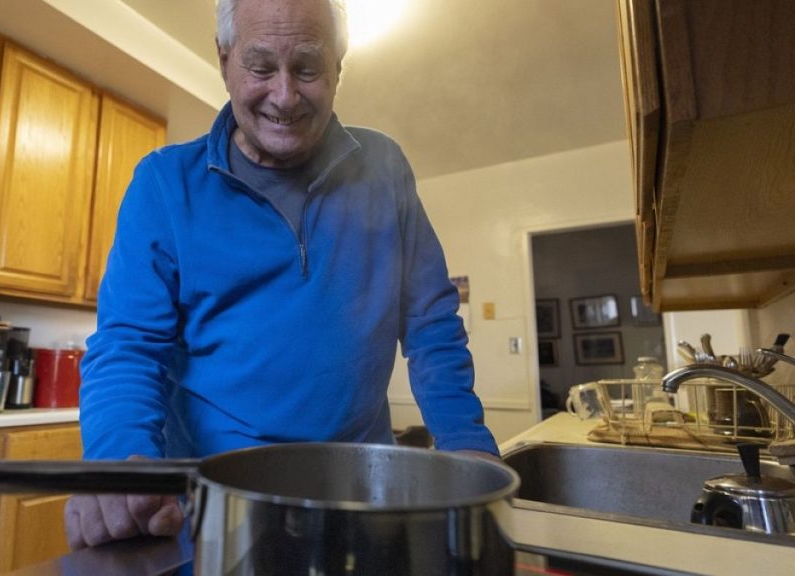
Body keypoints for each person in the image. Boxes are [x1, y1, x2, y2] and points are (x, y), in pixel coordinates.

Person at [64, 0, 498, 549]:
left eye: (308, 67)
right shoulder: (164, 184)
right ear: (224, 60)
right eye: (261, 67)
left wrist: (465, 440)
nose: (285, 95)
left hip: (358, 498)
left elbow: (430, 324)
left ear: (339, 65)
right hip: (213, 512)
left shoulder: (384, 168)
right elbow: (128, 346)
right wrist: (119, 459)